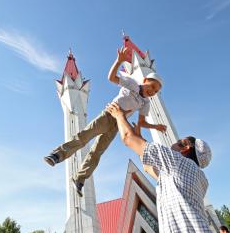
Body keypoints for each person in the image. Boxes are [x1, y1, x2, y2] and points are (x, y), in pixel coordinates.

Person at [106, 102, 226, 233]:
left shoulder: (176, 162)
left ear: (186, 149)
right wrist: (138, 135)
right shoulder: (200, 178)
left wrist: (118, 115)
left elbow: (128, 139)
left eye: (179, 143)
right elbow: (148, 168)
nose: (174, 144)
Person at [44, 47, 165, 197]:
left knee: (97, 151)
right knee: (84, 137)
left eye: (156, 91)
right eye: (152, 86)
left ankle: (79, 178)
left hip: (118, 124)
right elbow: (112, 77)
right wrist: (119, 60)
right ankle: (57, 155)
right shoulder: (132, 83)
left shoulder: (145, 103)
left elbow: (141, 122)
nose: (152, 91)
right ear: (145, 80)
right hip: (108, 115)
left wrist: (155, 126)